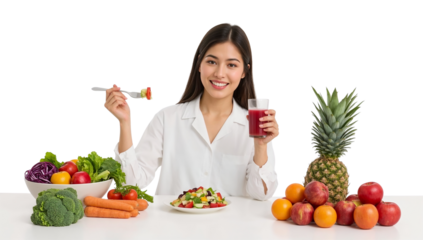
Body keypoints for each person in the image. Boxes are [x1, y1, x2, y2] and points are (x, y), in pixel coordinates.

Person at [102, 22, 281, 201]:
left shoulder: (256, 125)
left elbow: (261, 195)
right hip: (171, 227)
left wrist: (260, 145)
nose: (219, 73)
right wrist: (124, 123)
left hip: (230, 229)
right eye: (212, 62)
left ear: (244, 72)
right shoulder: (167, 118)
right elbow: (131, 184)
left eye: (231, 65)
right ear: (199, 64)